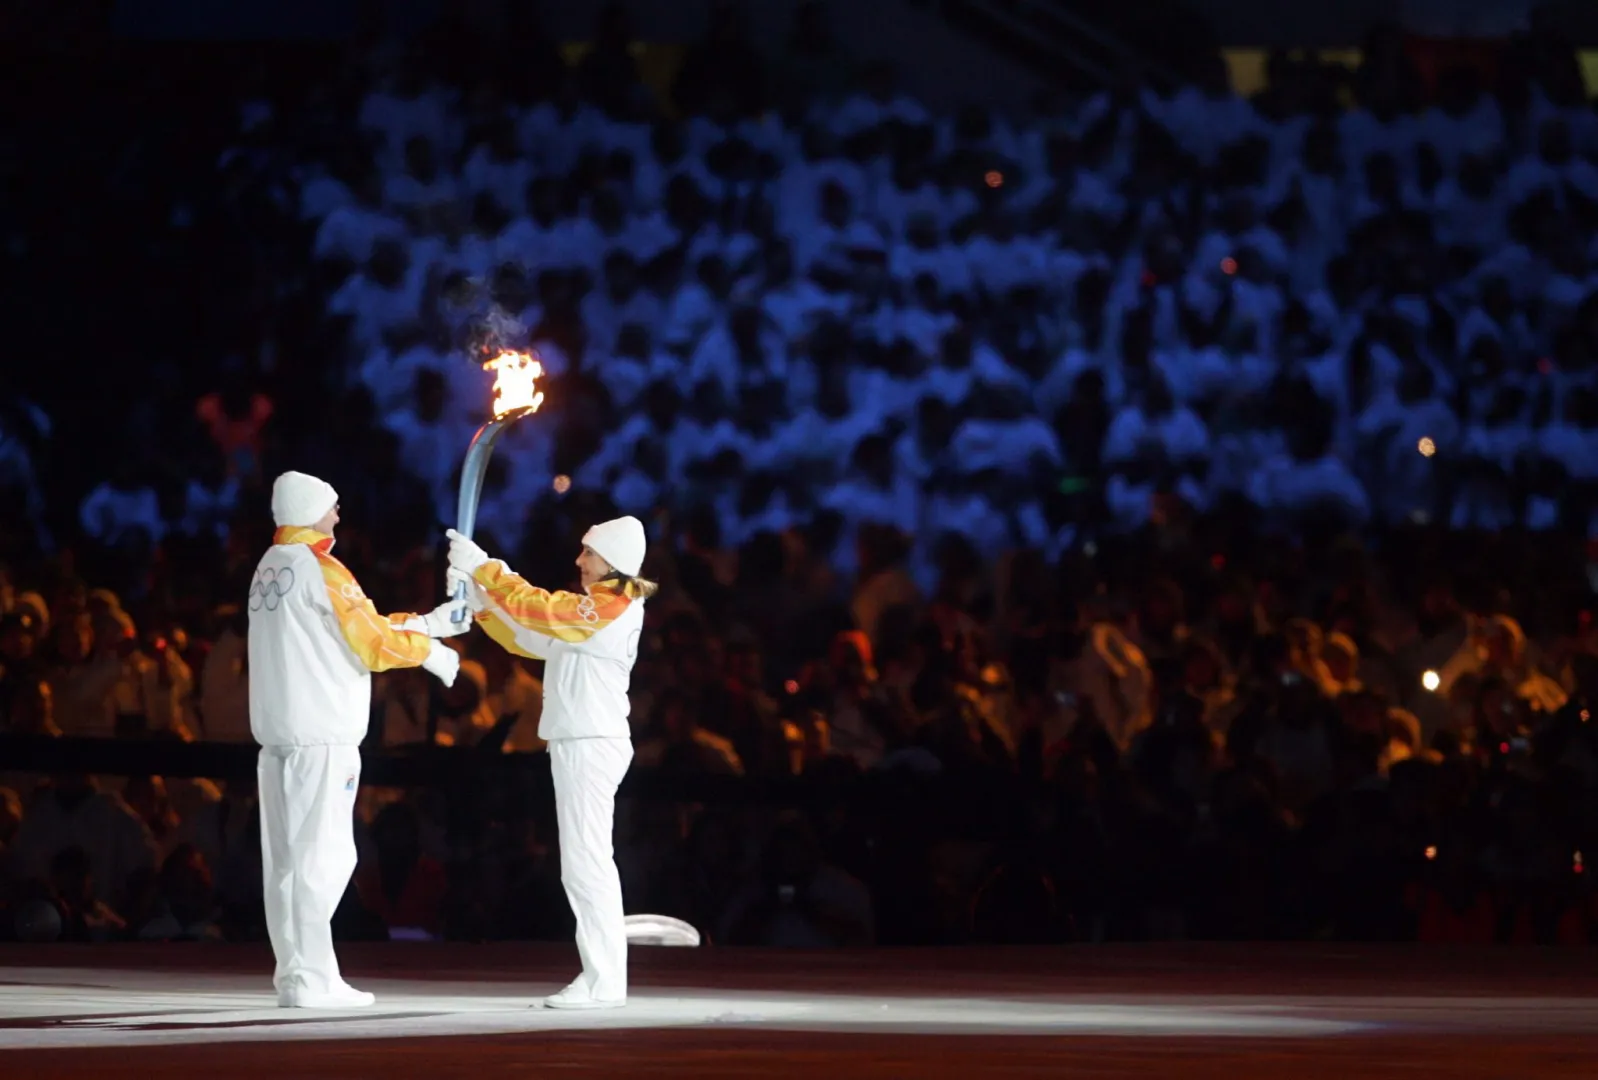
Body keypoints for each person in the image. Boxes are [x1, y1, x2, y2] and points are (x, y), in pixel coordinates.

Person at [250, 471, 462, 1008]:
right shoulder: (321, 568)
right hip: (321, 738)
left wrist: (428, 624)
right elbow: (368, 643)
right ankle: (315, 979)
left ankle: (295, 975)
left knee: (287, 864)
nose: (339, 515)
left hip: (279, 740)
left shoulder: (271, 566)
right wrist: (430, 654)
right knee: (325, 857)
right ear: (310, 508)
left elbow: (353, 624)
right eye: (333, 506)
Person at [446, 516, 654, 1009]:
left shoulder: (616, 603)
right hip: (577, 740)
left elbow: (545, 611)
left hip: (591, 741)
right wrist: (480, 603)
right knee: (583, 862)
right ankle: (603, 979)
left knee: (587, 863)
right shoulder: (593, 613)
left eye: (588, 552)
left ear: (613, 560)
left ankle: (603, 981)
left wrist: (487, 568)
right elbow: (531, 639)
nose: (579, 560)